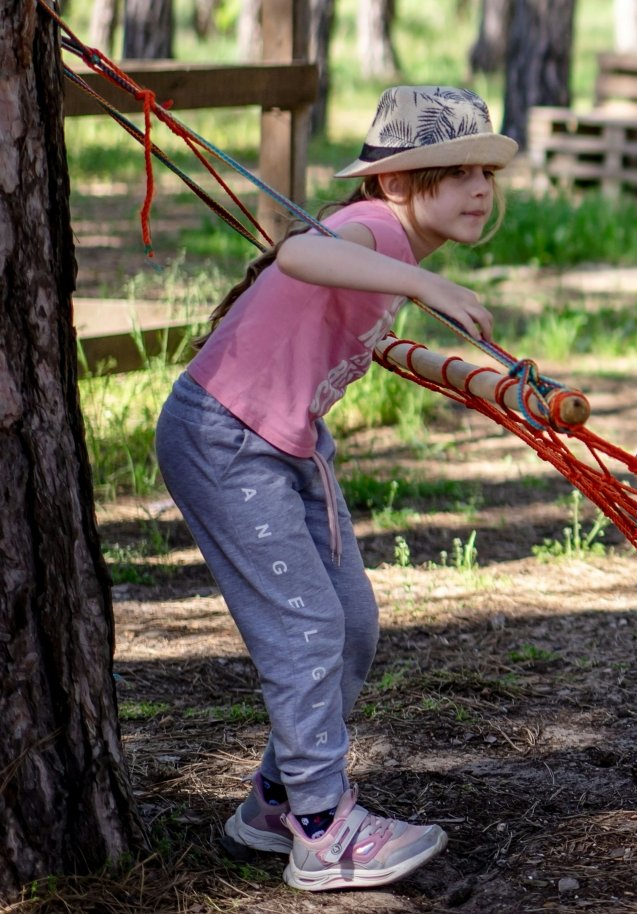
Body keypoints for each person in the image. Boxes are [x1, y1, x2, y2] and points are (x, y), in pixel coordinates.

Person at [155, 85, 513, 890]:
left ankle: (273, 805)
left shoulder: (392, 244)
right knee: (309, 628)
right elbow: (300, 253)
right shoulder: (374, 227)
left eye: (486, 171)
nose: (481, 188)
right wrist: (423, 288)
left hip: (287, 443)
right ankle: (322, 829)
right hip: (226, 439)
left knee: (349, 623)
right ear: (394, 183)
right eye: (456, 173)